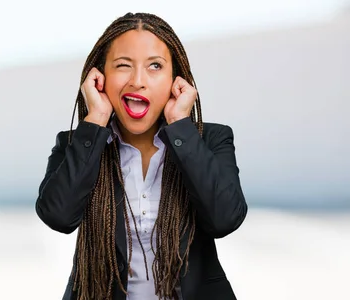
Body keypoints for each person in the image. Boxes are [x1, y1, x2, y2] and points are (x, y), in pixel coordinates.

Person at [35, 12, 248, 300]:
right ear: (100, 77)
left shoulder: (210, 139)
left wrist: (180, 127)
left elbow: (225, 219)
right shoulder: (77, 143)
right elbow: (58, 216)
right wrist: (96, 118)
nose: (138, 81)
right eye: (123, 66)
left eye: (155, 66)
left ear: (176, 79)